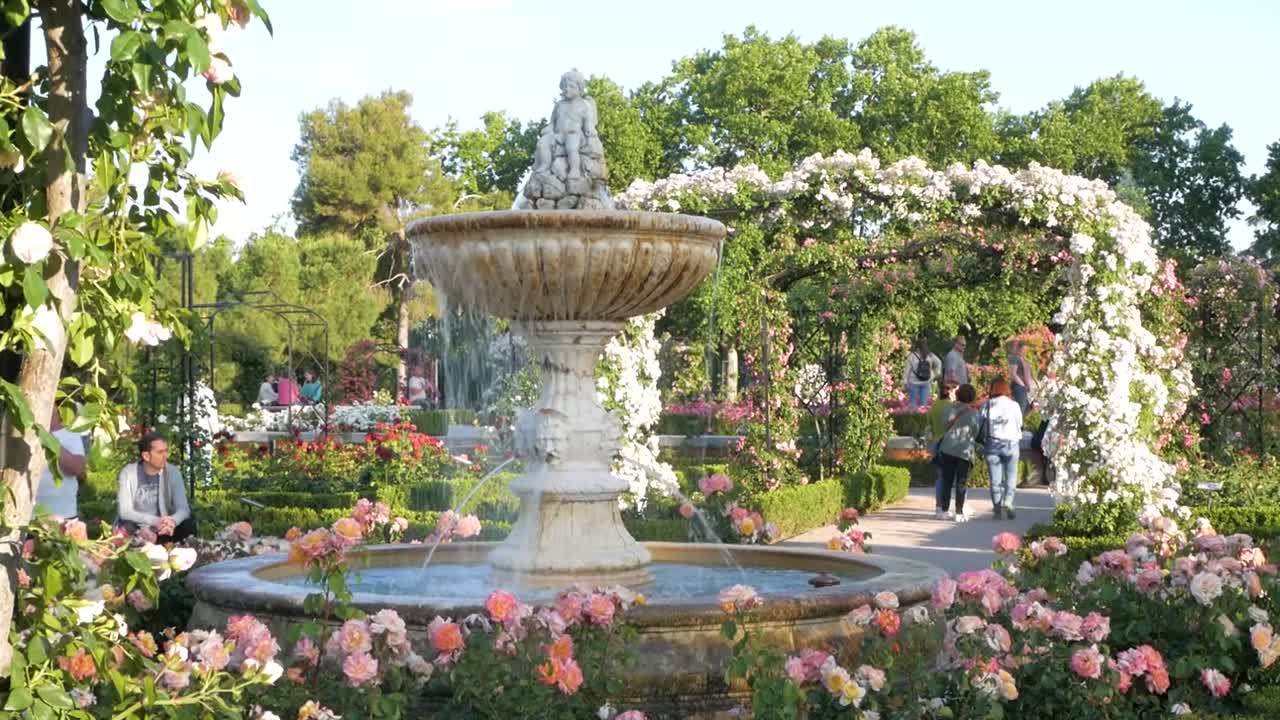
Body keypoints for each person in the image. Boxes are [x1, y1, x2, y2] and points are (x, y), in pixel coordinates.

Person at [116, 431, 195, 542]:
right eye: (160, 452)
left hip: (164, 528)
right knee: (125, 527)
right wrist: (155, 521)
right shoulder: (128, 473)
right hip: (138, 526)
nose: (165, 456)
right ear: (146, 456)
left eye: (166, 451)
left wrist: (172, 521)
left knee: (188, 524)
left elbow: (183, 508)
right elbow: (125, 511)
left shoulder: (173, 472)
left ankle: (160, 542)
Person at [979, 378, 1024, 520]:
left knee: (995, 479)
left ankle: (997, 509)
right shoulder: (1014, 405)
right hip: (1011, 444)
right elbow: (1020, 423)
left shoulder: (987, 405)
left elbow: (979, 422)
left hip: (992, 444)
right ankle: (1008, 502)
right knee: (1011, 475)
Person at [937, 384, 981, 522]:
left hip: (947, 448)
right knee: (961, 482)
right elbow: (975, 431)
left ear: (958, 395)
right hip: (964, 451)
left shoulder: (949, 408)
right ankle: (959, 512)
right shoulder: (973, 413)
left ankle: (944, 510)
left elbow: (944, 424)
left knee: (947, 481)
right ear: (972, 397)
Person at [34, 412, 87, 520]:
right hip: (26, 518)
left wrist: (47, 437)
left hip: (63, 515)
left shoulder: (70, 434)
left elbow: (76, 468)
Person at [927, 381, 959, 517]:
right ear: (951, 392)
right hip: (949, 444)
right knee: (953, 478)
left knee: (940, 477)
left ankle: (939, 507)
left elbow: (929, 423)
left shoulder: (934, 406)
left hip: (936, 443)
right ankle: (949, 507)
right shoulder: (951, 407)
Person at [903, 339, 941, 409]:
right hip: (926, 382)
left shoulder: (912, 356)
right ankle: (922, 418)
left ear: (917, 347)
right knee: (923, 406)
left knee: (912, 405)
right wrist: (934, 374)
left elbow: (907, 370)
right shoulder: (930, 355)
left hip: (913, 382)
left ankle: (912, 418)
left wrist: (905, 382)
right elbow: (938, 363)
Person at [1008, 340, 1037, 415]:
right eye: (1023, 349)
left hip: (1025, 389)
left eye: (1026, 350)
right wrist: (1023, 385)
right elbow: (1013, 374)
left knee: (1025, 411)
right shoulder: (1015, 358)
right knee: (1019, 412)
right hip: (1019, 388)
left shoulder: (1023, 360)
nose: (1025, 352)